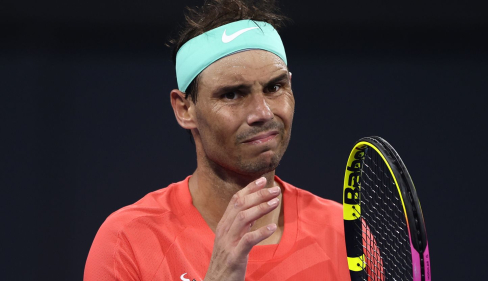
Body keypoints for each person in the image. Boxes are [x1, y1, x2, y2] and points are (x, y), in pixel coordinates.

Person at [84, 0, 349, 280]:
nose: (263, 112)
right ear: (185, 109)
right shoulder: (128, 243)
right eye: (232, 94)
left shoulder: (348, 236)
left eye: (274, 87)